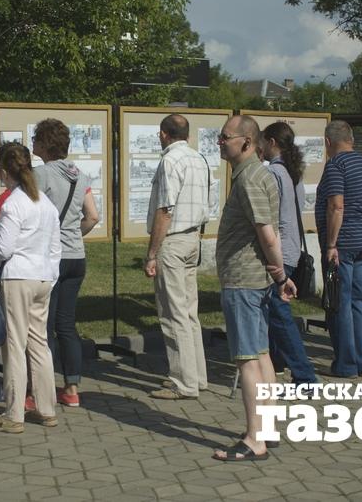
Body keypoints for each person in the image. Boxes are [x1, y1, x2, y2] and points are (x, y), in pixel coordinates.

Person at [213, 115, 297, 462]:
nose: (220, 142)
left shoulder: (249, 178)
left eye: (225, 137)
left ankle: (254, 439)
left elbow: (268, 234)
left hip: (245, 281)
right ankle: (267, 429)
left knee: (248, 359)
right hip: (254, 280)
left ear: (246, 142)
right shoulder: (258, 174)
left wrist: (281, 275)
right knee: (262, 355)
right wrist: (277, 276)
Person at [0, 143, 61, 433]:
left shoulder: (13, 203)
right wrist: (51, 275)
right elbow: (55, 247)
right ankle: (47, 409)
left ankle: (14, 414)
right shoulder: (45, 202)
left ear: (5, 171)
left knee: (15, 345)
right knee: (39, 343)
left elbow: (3, 248)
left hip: (17, 277)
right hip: (42, 277)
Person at [32, 119, 100, 407]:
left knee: (43, 326)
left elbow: (30, 213)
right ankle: (71, 388)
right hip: (76, 257)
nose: (32, 143)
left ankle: (41, 390)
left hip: (52, 259)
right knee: (67, 325)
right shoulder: (79, 175)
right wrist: (72, 235)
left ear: (45, 143)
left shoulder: (41, 174)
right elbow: (93, 216)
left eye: (35, 138)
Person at [144, 114, 211, 400]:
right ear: (187, 134)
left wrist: (152, 253)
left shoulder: (170, 161)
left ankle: (183, 382)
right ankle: (197, 377)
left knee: (173, 313)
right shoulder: (199, 159)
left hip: (173, 240)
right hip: (193, 237)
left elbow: (165, 210)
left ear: (163, 134)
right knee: (189, 311)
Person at [316, 120, 362, 378]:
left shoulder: (335, 165)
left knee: (339, 302)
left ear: (328, 142)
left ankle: (346, 364)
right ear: (351, 139)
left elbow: (336, 206)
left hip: (343, 244)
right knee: (357, 301)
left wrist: (331, 244)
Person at [261, 122, 318, 386]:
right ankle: (277, 362)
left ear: (272, 142)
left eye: (263, 141)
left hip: (280, 251)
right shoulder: (292, 173)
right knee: (276, 312)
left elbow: (270, 217)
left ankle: (304, 376)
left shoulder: (274, 172)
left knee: (280, 314)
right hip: (291, 248)